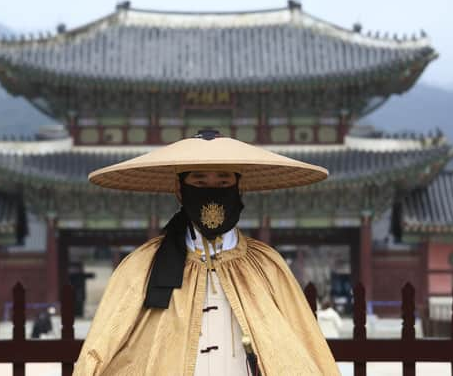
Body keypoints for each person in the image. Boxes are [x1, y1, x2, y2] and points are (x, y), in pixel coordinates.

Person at [72, 130, 340, 376]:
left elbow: (304, 347)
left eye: (223, 182)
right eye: (199, 183)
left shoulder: (266, 265)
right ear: (180, 190)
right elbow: (101, 347)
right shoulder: (142, 266)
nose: (212, 192)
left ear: (238, 188)